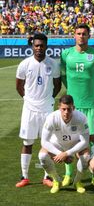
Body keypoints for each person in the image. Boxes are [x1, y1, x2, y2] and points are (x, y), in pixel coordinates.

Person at [60, 23, 94, 186]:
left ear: (89, 36)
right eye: (78, 33)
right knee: (71, 139)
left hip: (91, 104)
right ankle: (68, 174)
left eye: (84, 33)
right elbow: (63, 76)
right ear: (74, 35)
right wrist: (71, 90)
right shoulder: (66, 54)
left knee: (93, 138)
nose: (81, 36)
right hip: (72, 106)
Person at [15, 33, 61, 188]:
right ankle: (25, 176)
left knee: (47, 143)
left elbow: (58, 85)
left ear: (46, 46)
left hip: (47, 109)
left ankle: (47, 177)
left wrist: (49, 99)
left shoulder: (53, 64)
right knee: (27, 142)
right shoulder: (24, 64)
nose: (39, 48)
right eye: (36, 45)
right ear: (32, 46)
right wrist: (28, 100)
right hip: (29, 109)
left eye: (42, 45)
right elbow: (19, 86)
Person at [38, 95, 90, 194]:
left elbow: (85, 142)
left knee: (86, 157)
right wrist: (60, 154)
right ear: (59, 108)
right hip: (58, 144)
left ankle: (77, 182)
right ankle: (57, 180)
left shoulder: (81, 118)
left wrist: (67, 153)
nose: (66, 112)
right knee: (42, 156)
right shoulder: (52, 118)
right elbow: (44, 141)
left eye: (69, 109)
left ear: (73, 108)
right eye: (63, 109)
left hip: (75, 144)